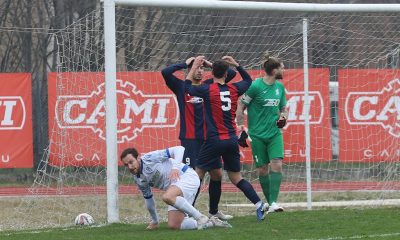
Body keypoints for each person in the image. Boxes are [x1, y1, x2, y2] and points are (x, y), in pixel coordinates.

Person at [184, 56, 268, 221]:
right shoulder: (234, 88)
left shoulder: (207, 89)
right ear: (226, 73)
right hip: (231, 139)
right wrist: (237, 64)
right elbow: (248, 80)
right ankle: (259, 204)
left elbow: (187, 86)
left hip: (214, 140)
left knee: (197, 173)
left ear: (212, 72)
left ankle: (188, 213)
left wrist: (194, 67)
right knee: (236, 177)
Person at [161, 58, 235, 220]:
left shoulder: (209, 85)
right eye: (198, 68)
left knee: (216, 174)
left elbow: (231, 74)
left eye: (203, 68)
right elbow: (165, 72)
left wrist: (211, 65)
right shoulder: (181, 86)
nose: (200, 71)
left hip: (210, 139)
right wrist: (187, 64)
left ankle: (214, 212)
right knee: (192, 177)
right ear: (190, 69)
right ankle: (190, 213)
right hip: (190, 140)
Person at [120, 146, 232, 230]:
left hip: (188, 176)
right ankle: (211, 222)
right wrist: (155, 220)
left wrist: (175, 168)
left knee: (167, 196)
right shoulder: (138, 179)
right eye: (126, 165)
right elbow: (148, 200)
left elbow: (179, 149)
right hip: (176, 188)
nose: (129, 166)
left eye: (131, 162)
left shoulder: (149, 158)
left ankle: (200, 218)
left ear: (138, 158)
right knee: (175, 225)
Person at [236, 52, 287, 213]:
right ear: (274, 71)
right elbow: (240, 105)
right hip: (257, 135)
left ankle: (273, 203)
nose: (284, 70)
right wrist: (240, 128)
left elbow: (283, 108)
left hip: (274, 134)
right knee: (263, 170)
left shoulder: (280, 87)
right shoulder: (256, 86)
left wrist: (284, 117)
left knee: (277, 164)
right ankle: (270, 202)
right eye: (282, 67)